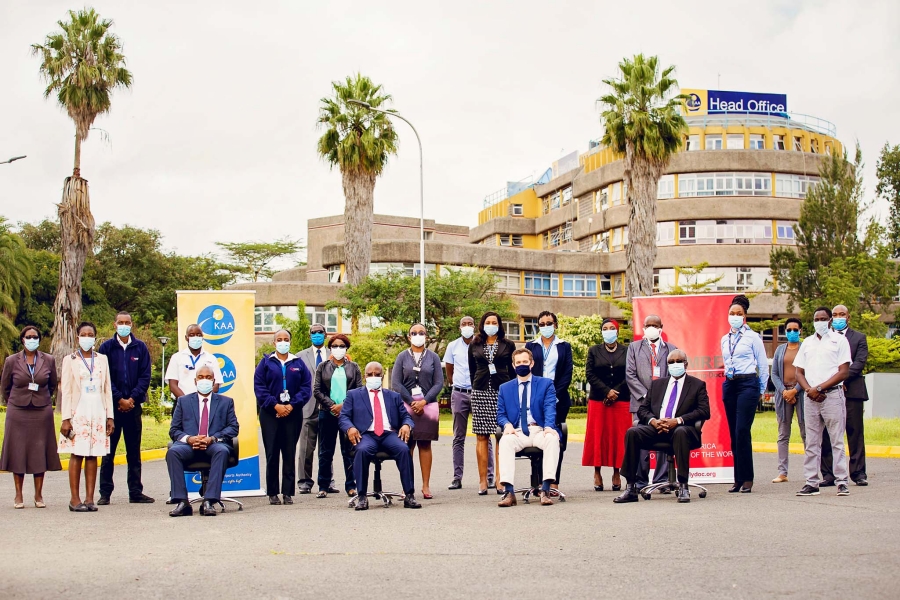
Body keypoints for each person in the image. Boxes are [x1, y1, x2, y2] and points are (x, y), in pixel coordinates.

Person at [614, 350, 711, 504]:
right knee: (633, 432)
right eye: (671, 362)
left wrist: (677, 420)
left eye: (678, 361)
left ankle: (683, 485)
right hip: (657, 428)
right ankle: (631, 487)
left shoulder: (697, 385)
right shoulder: (657, 384)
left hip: (683, 430)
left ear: (686, 364)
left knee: (680, 432)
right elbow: (643, 409)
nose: (675, 365)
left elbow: (704, 411)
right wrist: (653, 421)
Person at [338, 362, 421, 510]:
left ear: (382, 377)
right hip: (366, 435)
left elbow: (406, 417)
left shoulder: (394, 396)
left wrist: (406, 425)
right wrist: (350, 428)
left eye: (377, 374)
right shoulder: (353, 395)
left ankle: (409, 495)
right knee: (362, 451)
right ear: (365, 376)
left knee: (403, 449)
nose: (373, 377)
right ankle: (362, 496)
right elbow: (344, 417)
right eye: (370, 374)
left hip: (388, 434)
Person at [794, 307, 852, 498]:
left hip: (832, 396)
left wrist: (820, 388)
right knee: (811, 442)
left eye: (823, 318)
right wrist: (810, 390)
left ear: (829, 321)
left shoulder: (839, 340)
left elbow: (843, 371)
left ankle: (842, 481)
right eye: (816, 318)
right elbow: (798, 372)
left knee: (836, 441)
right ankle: (811, 482)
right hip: (810, 398)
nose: (819, 321)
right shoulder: (807, 343)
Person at [0, 326, 61, 509]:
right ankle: (18, 495)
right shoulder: (12, 360)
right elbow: (5, 387)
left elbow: (52, 385)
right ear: (22, 340)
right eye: (28, 337)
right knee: (18, 451)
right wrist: (15, 400)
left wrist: (42, 399)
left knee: (39, 451)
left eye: (35, 337)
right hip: (17, 411)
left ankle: (38, 495)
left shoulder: (48, 360)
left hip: (41, 411)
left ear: (39, 339)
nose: (32, 339)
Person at [167, 364, 240, 517]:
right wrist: (189, 439)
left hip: (213, 444)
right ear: (195, 381)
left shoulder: (226, 402)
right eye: (201, 377)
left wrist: (212, 438)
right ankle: (182, 502)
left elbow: (233, 428)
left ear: (214, 381)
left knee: (222, 450)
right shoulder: (184, 401)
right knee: (173, 452)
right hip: (189, 446)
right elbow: (174, 430)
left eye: (208, 377)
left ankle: (209, 501)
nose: (204, 380)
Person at [97, 311, 154, 505]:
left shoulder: (140, 348)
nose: (124, 325)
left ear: (132, 324)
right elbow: (103, 377)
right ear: (115, 325)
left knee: (134, 453)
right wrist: (119, 398)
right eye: (120, 322)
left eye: (127, 322)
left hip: (133, 407)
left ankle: (135, 492)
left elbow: (145, 376)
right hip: (112, 409)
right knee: (108, 453)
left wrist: (131, 399)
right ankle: (105, 493)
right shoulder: (106, 348)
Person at [58, 322, 115, 513]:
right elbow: (65, 391)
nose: (87, 337)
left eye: (90, 334)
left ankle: (90, 499)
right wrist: (65, 418)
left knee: (93, 454)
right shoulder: (70, 359)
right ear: (78, 337)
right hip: (78, 412)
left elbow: (107, 389)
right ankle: (75, 499)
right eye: (83, 334)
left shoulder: (102, 359)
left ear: (95, 338)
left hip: (97, 410)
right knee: (78, 453)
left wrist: (110, 416)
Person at [253, 329, 312, 505]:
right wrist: (275, 405)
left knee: (289, 452)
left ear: (290, 342)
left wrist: (292, 405)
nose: (283, 342)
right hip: (270, 414)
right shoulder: (265, 363)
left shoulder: (298, 363)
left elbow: (306, 388)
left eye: (286, 339)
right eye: (279, 339)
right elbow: (259, 388)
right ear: (274, 343)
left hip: (292, 414)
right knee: (272, 453)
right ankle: (272, 492)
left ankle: (287, 492)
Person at [496, 348, 560, 507]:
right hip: (517, 432)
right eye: (518, 363)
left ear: (532, 363)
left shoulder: (546, 384)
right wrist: (507, 424)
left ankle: (545, 489)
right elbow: (500, 414)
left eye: (525, 362)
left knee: (552, 439)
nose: (521, 365)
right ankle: (509, 492)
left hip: (539, 429)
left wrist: (548, 427)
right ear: (513, 365)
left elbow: (550, 407)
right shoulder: (505, 388)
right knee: (505, 442)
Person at [720, 294, 768, 493]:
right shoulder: (725, 338)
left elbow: (763, 365)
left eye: (739, 313)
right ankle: (737, 478)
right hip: (730, 384)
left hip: (748, 383)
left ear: (745, 317)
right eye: (732, 313)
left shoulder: (753, 337)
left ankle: (747, 478)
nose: (735, 316)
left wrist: (761, 390)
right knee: (733, 433)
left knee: (742, 430)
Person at [392, 324, 444, 499]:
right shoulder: (401, 357)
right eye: (414, 333)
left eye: (421, 333)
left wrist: (423, 401)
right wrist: (411, 402)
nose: (418, 335)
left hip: (427, 407)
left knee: (425, 444)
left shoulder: (433, 357)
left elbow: (439, 383)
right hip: (406, 406)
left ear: (426, 337)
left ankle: (426, 486)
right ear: (408, 337)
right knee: (406, 446)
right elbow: (396, 383)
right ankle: (407, 486)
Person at [820, 304, 869, 486]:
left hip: (852, 391)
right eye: (835, 315)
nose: (838, 317)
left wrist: (842, 380)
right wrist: (830, 383)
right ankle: (829, 474)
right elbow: (820, 363)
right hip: (828, 392)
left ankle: (858, 473)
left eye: (842, 314)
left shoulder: (859, 338)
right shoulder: (823, 339)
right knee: (827, 433)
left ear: (848, 317)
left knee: (854, 432)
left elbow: (859, 363)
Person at [625, 314, 677, 488]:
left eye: (655, 325)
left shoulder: (670, 348)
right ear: (643, 328)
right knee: (640, 438)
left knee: (664, 434)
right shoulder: (634, 347)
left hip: (664, 403)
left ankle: (662, 480)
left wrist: (661, 397)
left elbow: (674, 376)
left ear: (661, 327)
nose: (651, 328)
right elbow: (630, 375)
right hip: (640, 403)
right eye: (648, 325)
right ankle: (640, 480)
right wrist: (648, 396)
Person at [468, 311, 516, 495]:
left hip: (502, 391)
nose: (490, 324)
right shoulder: (474, 344)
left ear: (499, 324)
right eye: (487, 322)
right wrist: (477, 385)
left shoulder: (508, 344)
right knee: (481, 436)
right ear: (482, 324)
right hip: (480, 392)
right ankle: (482, 480)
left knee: (501, 437)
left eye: (494, 322)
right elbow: (473, 370)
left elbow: (512, 372)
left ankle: (499, 479)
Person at [444, 316, 494, 490]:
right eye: (463, 324)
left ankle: (489, 476)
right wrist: (453, 383)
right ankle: (457, 477)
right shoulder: (453, 346)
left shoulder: (481, 343)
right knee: (458, 436)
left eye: (470, 324)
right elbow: (449, 369)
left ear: (475, 326)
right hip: (460, 393)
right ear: (459, 327)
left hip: (480, 392)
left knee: (485, 434)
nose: (467, 326)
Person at [524, 311, 572, 492]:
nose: (545, 327)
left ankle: (553, 481)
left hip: (558, 400)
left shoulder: (564, 346)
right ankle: (536, 481)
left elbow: (567, 373)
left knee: (554, 438)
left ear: (556, 324)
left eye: (549, 323)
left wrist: (552, 395)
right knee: (535, 437)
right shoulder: (531, 345)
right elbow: (526, 371)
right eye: (542, 324)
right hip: (534, 400)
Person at [583, 318, 631, 491]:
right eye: (605, 328)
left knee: (619, 437)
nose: (608, 330)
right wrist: (606, 391)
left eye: (612, 328)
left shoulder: (627, 350)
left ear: (617, 331)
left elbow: (630, 373)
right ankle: (597, 472)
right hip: (598, 400)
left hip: (621, 399)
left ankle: (617, 472)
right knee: (599, 435)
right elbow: (589, 374)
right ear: (601, 331)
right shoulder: (594, 350)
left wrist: (615, 392)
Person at [313, 334, 360, 498]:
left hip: (348, 415)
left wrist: (343, 405)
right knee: (325, 451)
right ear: (330, 348)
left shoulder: (354, 367)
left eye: (342, 346)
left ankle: (351, 486)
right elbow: (317, 391)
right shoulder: (322, 367)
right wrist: (331, 405)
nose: (338, 348)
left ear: (346, 348)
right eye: (335, 345)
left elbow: (358, 390)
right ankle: (323, 485)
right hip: (327, 413)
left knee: (350, 451)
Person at [770, 318, 806, 483]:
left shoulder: (805, 347)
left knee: (806, 432)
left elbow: (809, 371)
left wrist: (795, 390)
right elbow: (774, 374)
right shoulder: (779, 350)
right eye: (789, 329)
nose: (792, 332)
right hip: (783, 394)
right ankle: (782, 472)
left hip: (803, 392)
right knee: (783, 434)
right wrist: (784, 391)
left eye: (795, 329)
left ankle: (811, 471)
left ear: (800, 331)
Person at [297, 324, 331, 495]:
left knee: (327, 446)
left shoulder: (335, 355)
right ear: (309, 335)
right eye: (313, 332)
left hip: (329, 406)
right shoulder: (300, 356)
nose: (317, 335)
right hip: (307, 407)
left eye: (320, 332)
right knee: (305, 448)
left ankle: (328, 481)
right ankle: (304, 481)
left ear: (325, 334)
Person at [165, 324, 223, 404]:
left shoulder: (211, 359)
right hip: (182, 404)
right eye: (192, 335)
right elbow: (173, 385)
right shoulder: (176, 357)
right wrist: (187, 402)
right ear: (186, 338)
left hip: (205, 404)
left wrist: (201, 400)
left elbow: (216, 385)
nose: (195, 337)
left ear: (202, 337)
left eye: (198, 335)